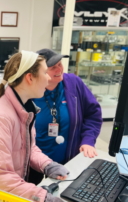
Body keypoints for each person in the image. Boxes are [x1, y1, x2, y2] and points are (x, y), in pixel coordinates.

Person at [0, 50, 69, 202]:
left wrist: (47, 165)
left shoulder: (23, 108)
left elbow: (27, 147)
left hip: (1, 193)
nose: (48, 78)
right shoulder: (0, 117)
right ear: (30, 78)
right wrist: (43, 197)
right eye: (45, 72)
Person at [31, 48, 102, 184]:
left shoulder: (73, 83)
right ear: (40, 72)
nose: (59, 69)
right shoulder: (30, 92)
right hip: (35, 166)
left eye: (60, 64)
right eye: (53, 67)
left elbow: (93, 114)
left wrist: (88, 140)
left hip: (69, 163)